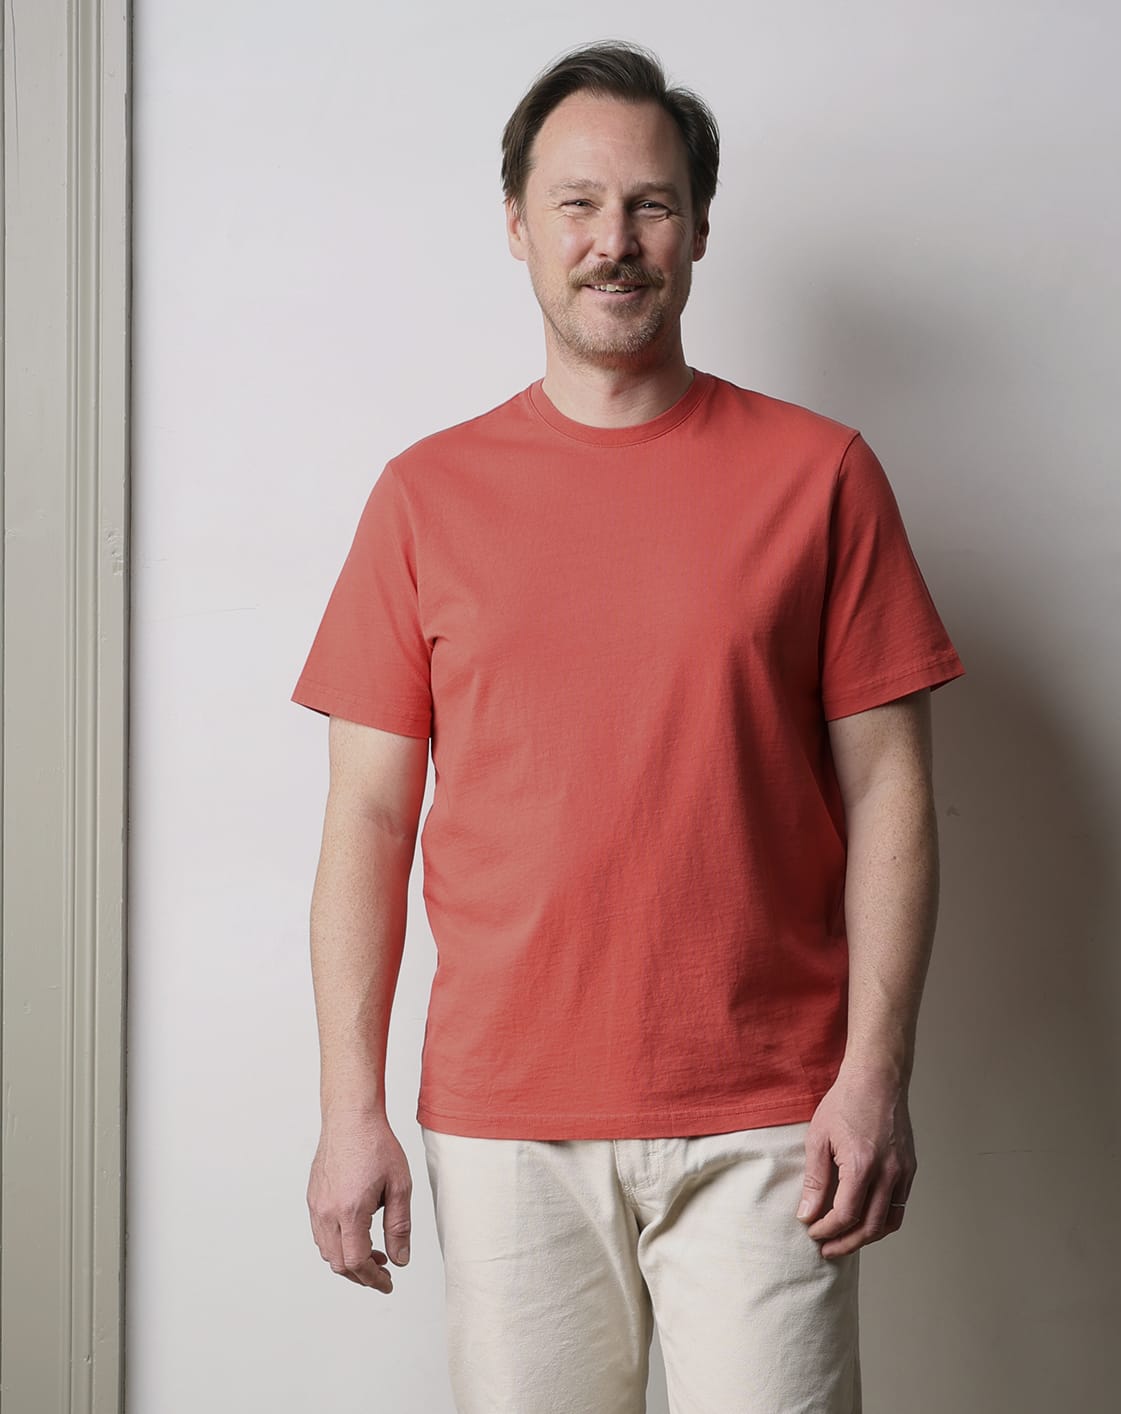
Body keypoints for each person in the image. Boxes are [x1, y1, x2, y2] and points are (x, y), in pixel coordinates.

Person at [292, 39, 965, 1414]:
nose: (615, 241)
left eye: (652, 204)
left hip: (773, 1116)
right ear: (519, 226)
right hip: (505, 1121)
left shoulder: (820, 475)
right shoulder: (425, 498)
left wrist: (874, 1075)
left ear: (702, 228)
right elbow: (367, 813)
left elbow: (892, 787)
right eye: (579, 204)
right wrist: (349, 1106)